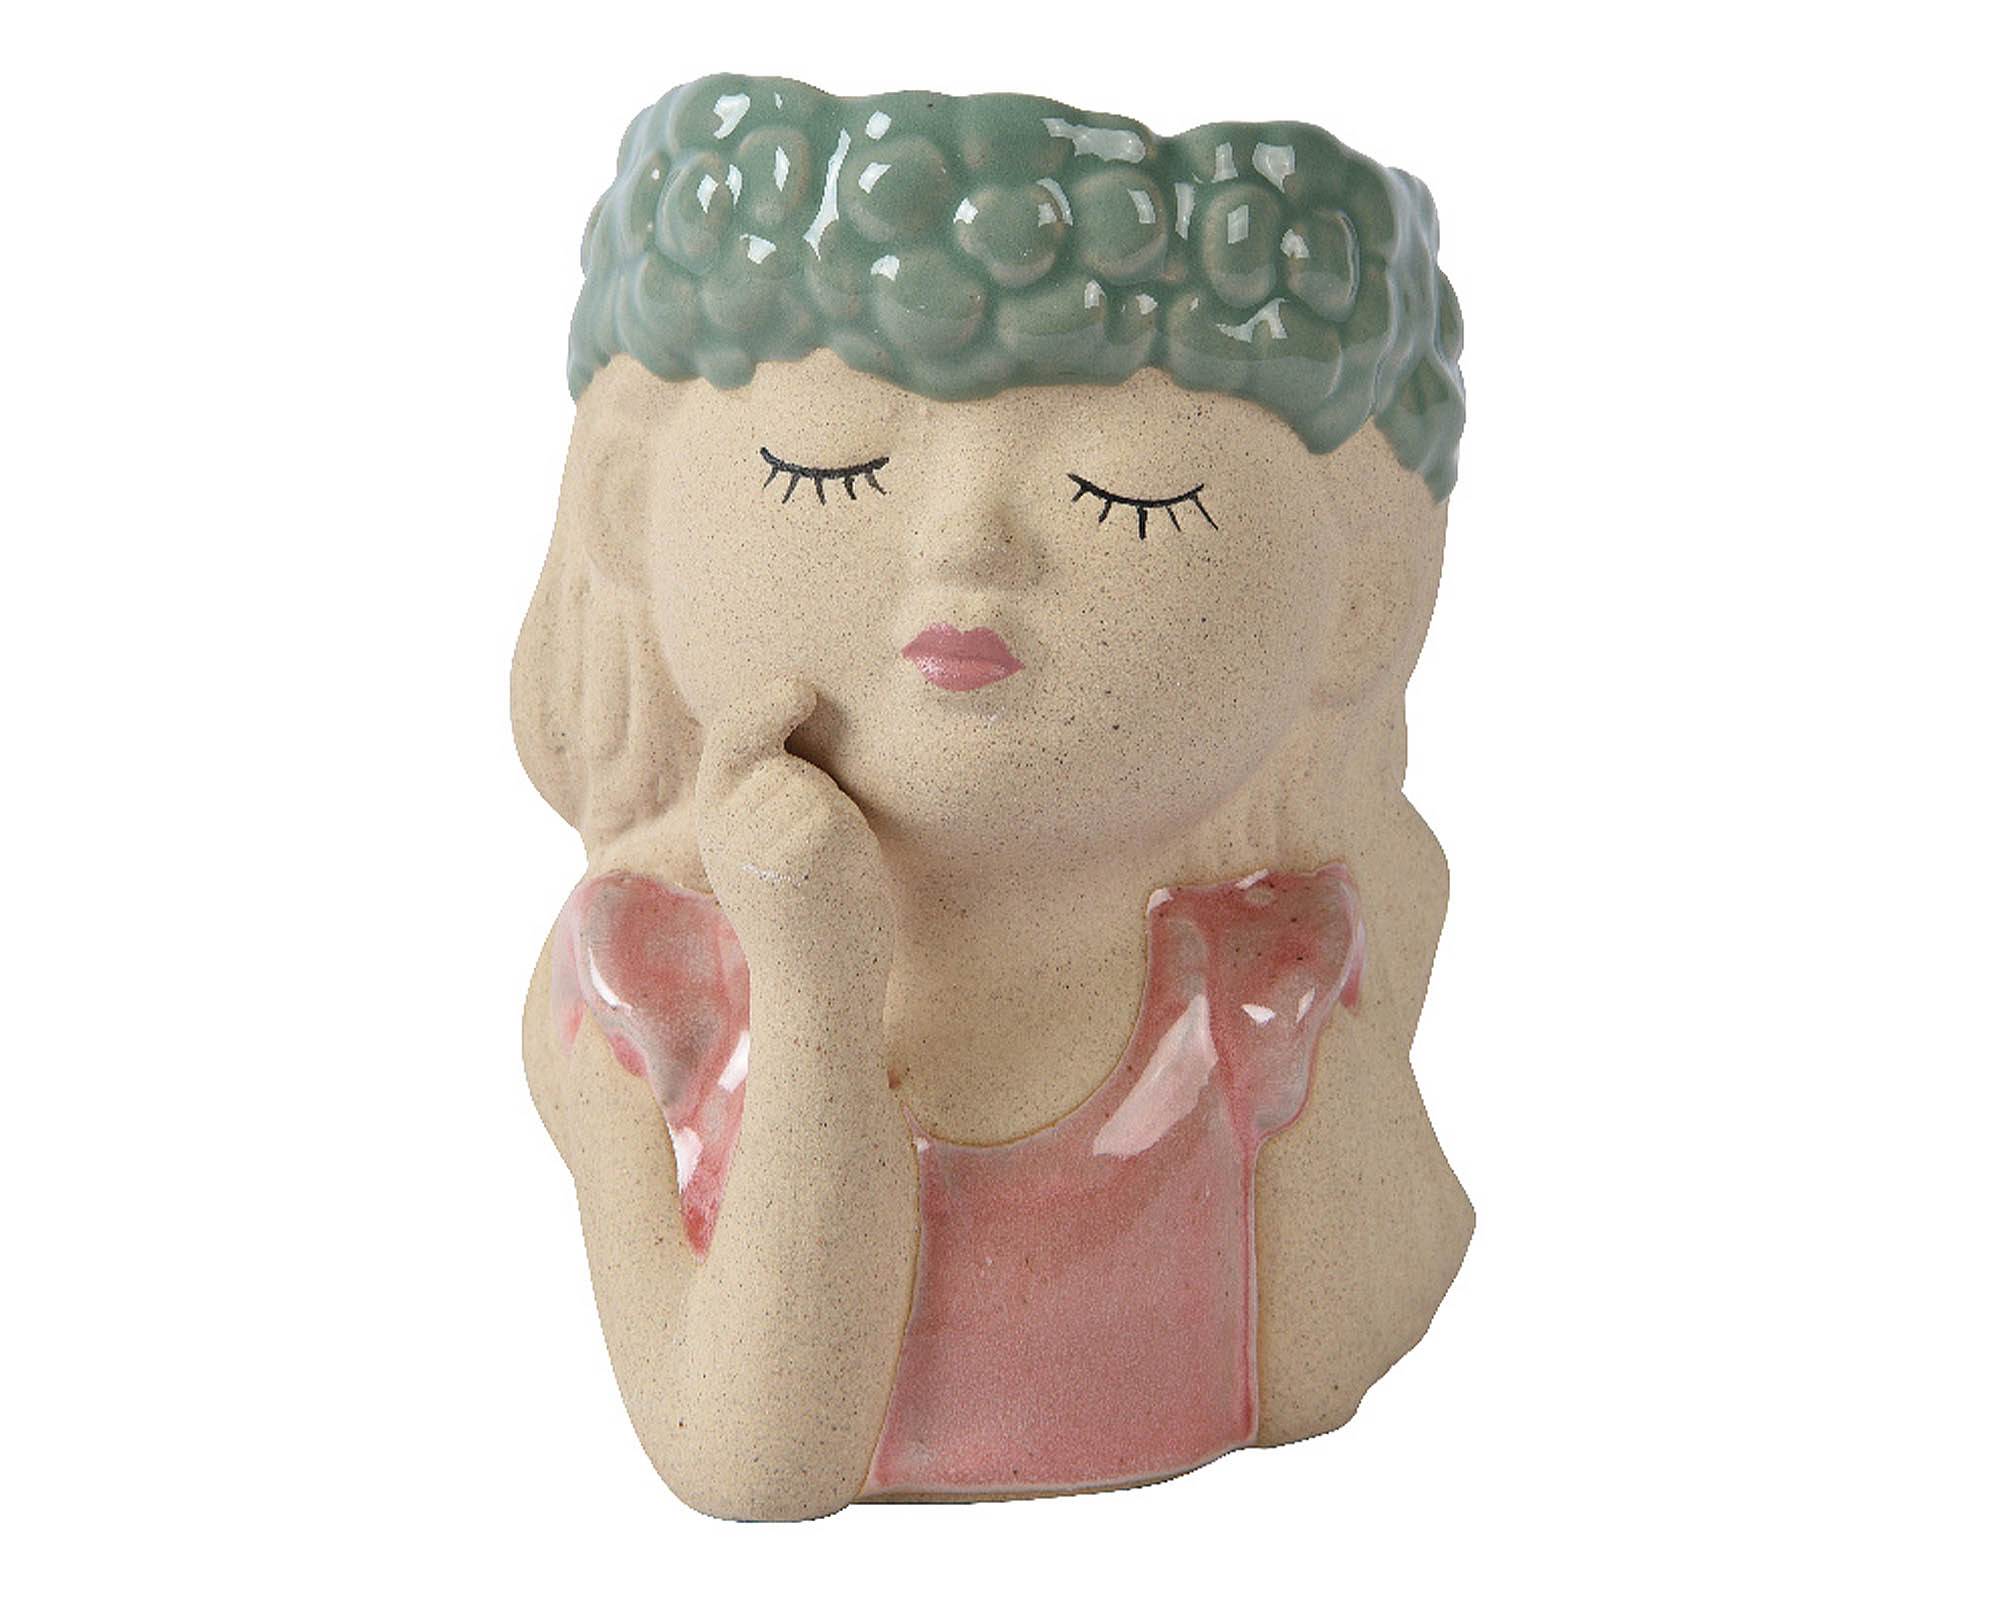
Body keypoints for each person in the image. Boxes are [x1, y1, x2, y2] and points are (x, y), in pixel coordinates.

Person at [513, 74, 1472, 1519]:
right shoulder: (651, 999)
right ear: (627, 508)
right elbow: (756, 1457)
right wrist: (815, 991)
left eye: (1132, 497)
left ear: (1359, 590)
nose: (966, 545)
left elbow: (1332, 1355)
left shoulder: (1264, 999)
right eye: (829, 466)